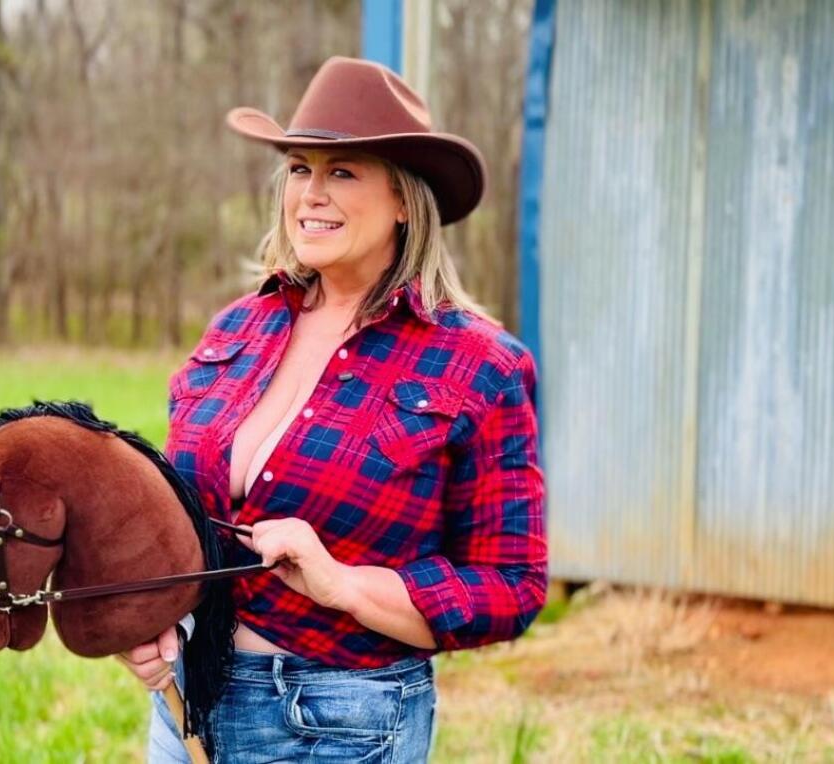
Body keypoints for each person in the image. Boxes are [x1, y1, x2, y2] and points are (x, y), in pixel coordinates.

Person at [117, 56, 547, 763]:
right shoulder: (236, 329)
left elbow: (512, 587)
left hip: (336, 725)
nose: (311, 194)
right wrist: (150, 617)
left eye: (342, 172)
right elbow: (176, 519)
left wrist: (343, 583)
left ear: (405, 200)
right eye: (298, 169)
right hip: (185, 703)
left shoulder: (479, 365)